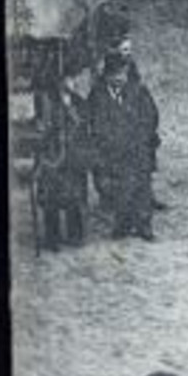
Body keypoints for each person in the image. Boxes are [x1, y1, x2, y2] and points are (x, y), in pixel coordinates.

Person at [87, 51, 159, 240]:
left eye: (122, 74)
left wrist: (142, 138)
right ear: (106, 75)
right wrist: (106, 144)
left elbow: (151, 117)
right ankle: (123, 224)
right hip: (113, 151)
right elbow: (94, 123)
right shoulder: (97, 95)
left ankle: (144, 225)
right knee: (120, 189)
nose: (119, 79)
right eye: (114, 75)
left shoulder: (139, 91)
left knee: (142, 187)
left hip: (137, 148)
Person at [34, 61, 91, 250]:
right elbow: (43, 128)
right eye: (69, 79)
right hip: (53, 156)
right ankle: (52, 239)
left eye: (73, 78)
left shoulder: (79, 102)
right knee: (52, 198)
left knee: (74, 197)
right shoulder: (48, 101)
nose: (73, 82)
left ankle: (75, 235)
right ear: (59, 81)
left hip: (74, 156)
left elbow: (83, 125)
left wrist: (70, 109)